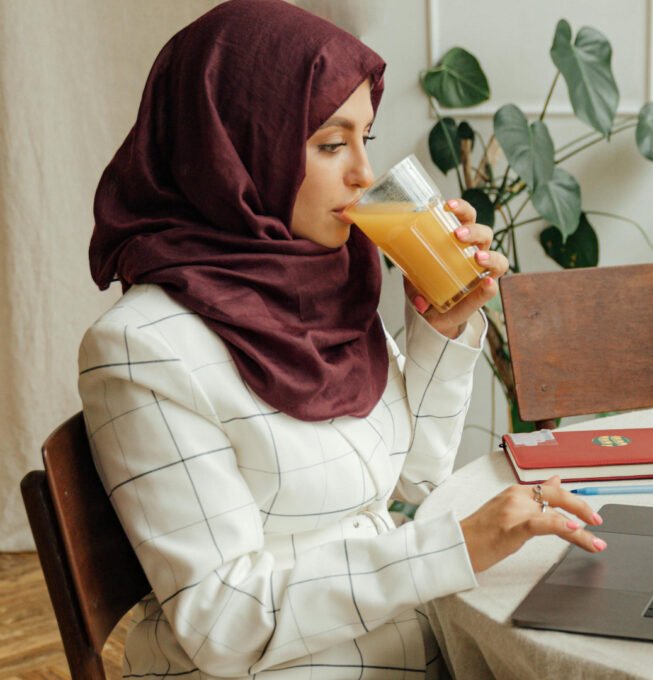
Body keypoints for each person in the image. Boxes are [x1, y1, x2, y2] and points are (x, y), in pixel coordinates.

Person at [78, 1, 604, 678]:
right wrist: (451, 549)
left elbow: (414, 475)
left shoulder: (321, 287)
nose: (363, 174)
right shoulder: (143, 348)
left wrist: (441, 326)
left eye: (366, 139)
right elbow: (223, 624)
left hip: (406, 641)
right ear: (234, 150)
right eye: (331, 144)